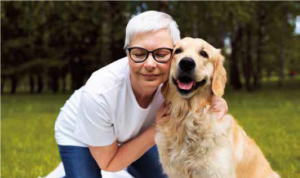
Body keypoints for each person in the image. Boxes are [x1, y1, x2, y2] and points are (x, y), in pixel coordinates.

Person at [54, 10, 228, 178]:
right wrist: (157, 127)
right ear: (128, 53)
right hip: (80, 135)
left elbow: (203, 86)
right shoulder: (99, 93)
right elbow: (109, 163)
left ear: (173, 54)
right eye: (139, 53)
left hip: (136, 132)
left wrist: (217, 100)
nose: (150, 64)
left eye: (161, 54)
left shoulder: (175, 82)